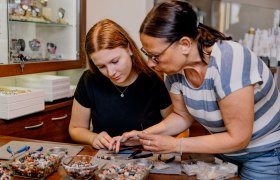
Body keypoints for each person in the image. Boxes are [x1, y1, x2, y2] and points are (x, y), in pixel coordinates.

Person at [111, 1, 280, 179]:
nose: (151, 63)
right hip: (226, 153)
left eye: (156, 56)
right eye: (147, 53)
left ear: (184, 44)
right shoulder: (174, 71)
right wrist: (144, 136)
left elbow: (239, 138)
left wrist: (177, 145)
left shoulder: (230, 61)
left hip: (264, 153)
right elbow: (182, 116)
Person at [69, 19, 172, 150]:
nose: (111, 72)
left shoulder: (152, 80)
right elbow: (75, 128)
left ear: (129, 48)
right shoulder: (90, 80)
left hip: (145, 158)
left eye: (115, 61)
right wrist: (92, 138)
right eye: (101, 66)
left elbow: (177, 127)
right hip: (105, 160)